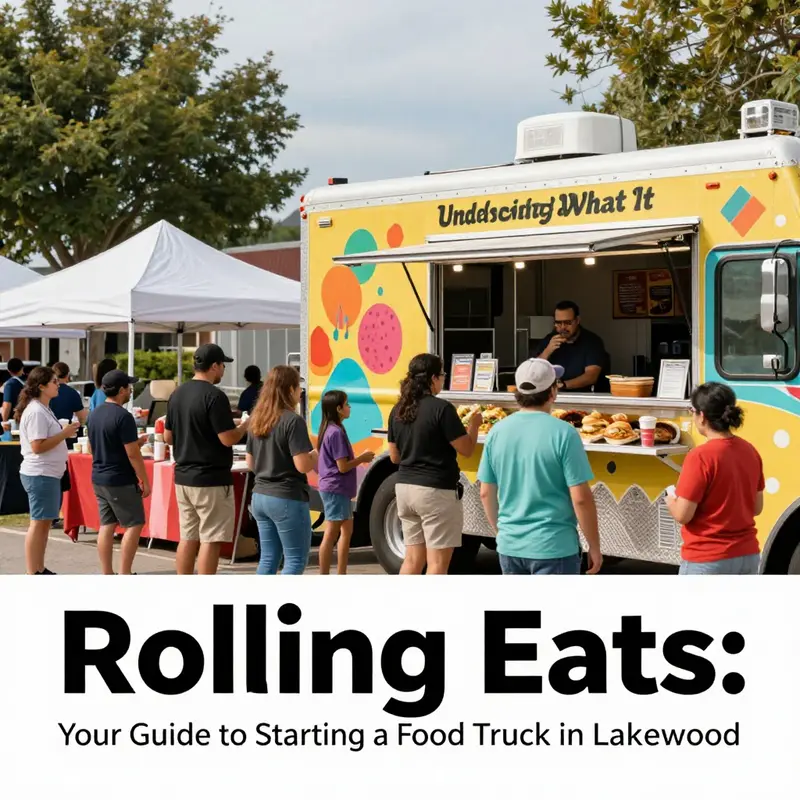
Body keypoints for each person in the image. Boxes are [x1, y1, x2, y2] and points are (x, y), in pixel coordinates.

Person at [478, 358, 602, 576]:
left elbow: (486, 492)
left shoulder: (496, 432)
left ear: (517, 391)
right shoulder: (565, 433)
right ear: (553, 392)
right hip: (554, 547)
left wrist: (503, 534)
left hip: (510, 546)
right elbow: (581, 498)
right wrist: (594, 546)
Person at [387, 353, 481, 575]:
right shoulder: (442, 408)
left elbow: (394, 457)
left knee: (411, 560)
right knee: (437, 564)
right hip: (435, 492)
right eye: (441, 375)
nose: (443, 379)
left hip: (404, 490)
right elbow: (466, 449)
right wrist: (474, 426)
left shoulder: (397, 409)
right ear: (432, 379)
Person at [164, 343, 249, 575]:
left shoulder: (177, 393)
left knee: (188, 537)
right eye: (223, 365)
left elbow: (167, 436)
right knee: (211, 539)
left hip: (183, 476)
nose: (224, 370)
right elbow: (227, 439)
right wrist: (243, 427)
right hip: (211, 478)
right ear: (214, 366)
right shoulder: (215, 396)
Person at [665, 382, 764, 575]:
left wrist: (670, 499)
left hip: (707, 558)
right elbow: (756, 508)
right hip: (748, 555)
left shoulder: (700, 456)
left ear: (702, 416)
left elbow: (683, 515)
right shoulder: (750, 450)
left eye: (692, 410)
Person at [245, 365, 317, 575]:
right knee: (295, 561)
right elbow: (303, 465)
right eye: (298, 387)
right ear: (289, 390)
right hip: (287, 497)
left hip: (260, 496)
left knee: (268, 559)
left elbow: (251, 464)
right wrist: (315, 454)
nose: (300, 392)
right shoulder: (293, 421)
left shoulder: (257, 418)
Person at [15, 366, 80, 574]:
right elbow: (37, 446)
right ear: (42, 386)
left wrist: (62, 432)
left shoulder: (42, 408)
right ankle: (33, 571)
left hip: (47, 473)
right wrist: (64, 433)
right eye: (54, 381)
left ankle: (39, 568)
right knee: (38, 524)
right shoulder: (36, 411)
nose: (58, 384)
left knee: (43, 524)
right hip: (40, 473)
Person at [87, 370, 151, 575]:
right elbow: (132, 455)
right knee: (135, 524)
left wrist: (134, 443)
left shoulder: (95, 413)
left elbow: (91, 447)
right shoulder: (123, 416)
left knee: (107, 524)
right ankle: (125, 573)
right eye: (129, 387)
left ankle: (107, 573)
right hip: (119, 478)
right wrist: (144, 480)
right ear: (122, 389)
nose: (131, 390)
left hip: (99, 476)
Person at [316, 390, 375, 575]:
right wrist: (363, 458)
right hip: (335, 488)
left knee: (346, 529)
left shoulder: (333, 429)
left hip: (338, 488)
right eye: (347, 404)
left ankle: (342, 573)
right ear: (338, 408)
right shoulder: (335, 432)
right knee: (332, 531)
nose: (350, 407)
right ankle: (324, 574)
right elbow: (342, 466)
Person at [532, 301, 606, 392]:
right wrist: (547, 351)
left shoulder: (592, 341)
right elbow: (532, 372)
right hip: (551, 397)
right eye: (558, 323)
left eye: (567, 322)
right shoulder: (549, 340)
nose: (563, 327)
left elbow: (591, 376)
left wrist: (563, 385)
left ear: (577, 320)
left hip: (582, 397)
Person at [50, 362, 88, 438]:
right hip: (66, 433)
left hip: (47, 432)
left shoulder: (46, 391)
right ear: (67, 375)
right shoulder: (72, 393)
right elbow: (82, 418)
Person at [2, 357, 25, 426]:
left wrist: (4, 422)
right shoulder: (29, 382)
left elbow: (7, 406)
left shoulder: (10, 384)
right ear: (22, 368)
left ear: (8, 370)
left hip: (15, 422)